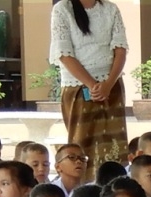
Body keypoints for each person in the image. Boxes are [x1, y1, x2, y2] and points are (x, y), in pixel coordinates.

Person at [51, 0, 130, 170]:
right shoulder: (62, 9)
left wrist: (108, 84)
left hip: (111, 88)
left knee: (114, 145)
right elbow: (64, 54)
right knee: (81, 146)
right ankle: (84, 186)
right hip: (78, 88)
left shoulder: (111, 9)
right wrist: (93, 85)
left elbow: (121, 50)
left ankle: (114, 183)